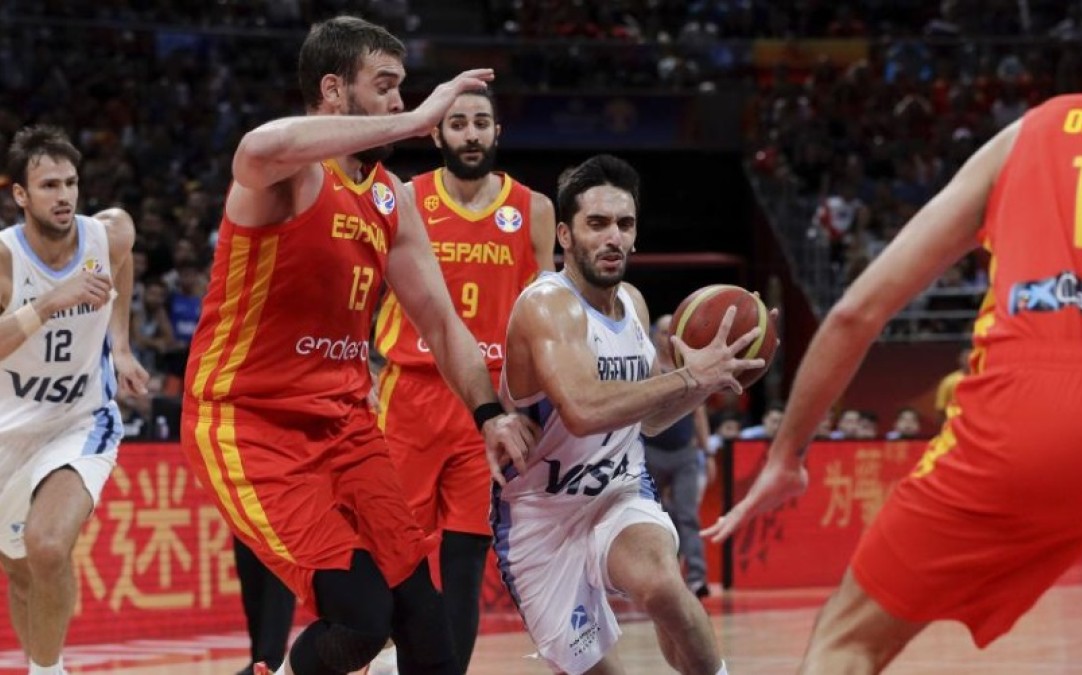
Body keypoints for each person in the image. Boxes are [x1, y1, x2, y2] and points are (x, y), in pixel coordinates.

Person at [704, 1, 1082, 671]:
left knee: (847, 640)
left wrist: (786, 453)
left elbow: (856, 311)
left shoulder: (1030, 133)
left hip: (1020, 423)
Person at [178, 16, 537, 675]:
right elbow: (257, 145)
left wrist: (489, 415)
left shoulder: (391, 198)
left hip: (345, 425)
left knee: (423, 614)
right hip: (250, 423)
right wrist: (419, 119)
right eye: (386, 86)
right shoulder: (290, 174)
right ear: (333, 90)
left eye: (403, 90)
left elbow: (443, 323)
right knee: (362, 618)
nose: (401, 102)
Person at [496, 154, 763, 675]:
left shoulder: (635, 304)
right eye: (597, 224)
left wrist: (709, 379)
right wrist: (688, 376)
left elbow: (649, 420)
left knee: (661, 583)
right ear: (566, 236)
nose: (613, 237)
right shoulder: (547, 305)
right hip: (541, 515)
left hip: (619, 490)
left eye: (624, 224)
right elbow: (582, 410)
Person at [368, 87, 555, 675]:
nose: (470, 134)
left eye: (481, 123)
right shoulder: (404, 197)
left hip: (490, 401)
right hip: (411, 392)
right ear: (435, 133)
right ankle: (393, 656)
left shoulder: (534, 209)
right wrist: (360, 367)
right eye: (458, 124)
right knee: (398, 551)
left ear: (497, 132)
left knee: (468, 555)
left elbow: (547, 312)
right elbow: (362, 284)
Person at [0, 125, 149, 675]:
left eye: (70, 183)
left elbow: (122, 261)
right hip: (8, 428)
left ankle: (47, 673)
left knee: (47, 546)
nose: (64, 195)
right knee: (19, 571)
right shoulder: (5, 260)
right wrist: (49, 303)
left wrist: (121, 345)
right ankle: (46, 665)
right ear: (21, 194)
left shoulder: (109, 233)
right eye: (49, 186)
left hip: (79, 419)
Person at [644, 314, 713, 599]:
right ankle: (656, 575)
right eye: (663, 332)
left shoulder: (689, 367)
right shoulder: (647, 366)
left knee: (688, 515)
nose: (669, 337)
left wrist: (707, 453)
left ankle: (696, 577)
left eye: (673, 332)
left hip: (685, 453)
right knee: (652, 518)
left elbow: (699, 413)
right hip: (651, 452)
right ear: (654, 336)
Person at [234, 536, 296, 675]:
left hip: (280, 531)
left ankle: (270, 662)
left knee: (277, 593)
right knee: (252, 590)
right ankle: (257, 661)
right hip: (245, 528)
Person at [934, 346, 970, 424]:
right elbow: (941, 409)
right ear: (959, 359)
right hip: (956, 424)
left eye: (972, 357)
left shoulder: (983, 379)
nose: (969, 360)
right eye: (965, 358)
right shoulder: (949, 381)